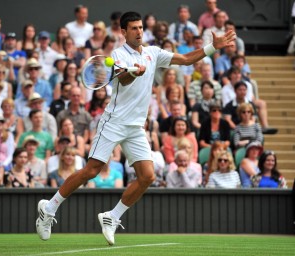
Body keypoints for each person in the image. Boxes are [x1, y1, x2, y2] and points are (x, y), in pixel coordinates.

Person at [35, 11, 235, 244]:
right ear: (123, 32)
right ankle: (48, 209)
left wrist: (212, 47)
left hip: (136, 126)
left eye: (141, 28)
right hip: (114, 122)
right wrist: (134, 73)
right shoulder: (118, 55)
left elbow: (186, 59)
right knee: (91, 170)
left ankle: (112, 216)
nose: (139, 32)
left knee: (147, 176)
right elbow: (123, 78)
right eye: (133, 28)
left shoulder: (153, 53)